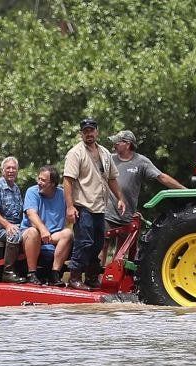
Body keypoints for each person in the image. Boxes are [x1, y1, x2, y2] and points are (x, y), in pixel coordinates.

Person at [102, 129, 185, 262]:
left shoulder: (141, 162)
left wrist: (183, 191)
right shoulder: (109, 159)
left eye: (117, 142)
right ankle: (97, 278)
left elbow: (161, 177)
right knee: (103, 244)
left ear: (128, 144)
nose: (114, 145)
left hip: (126, 215)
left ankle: (115, 280)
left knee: (121, 252)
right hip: (107, 212)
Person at [63, 118, 125, 290]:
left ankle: (91, 276)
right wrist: (70, 206)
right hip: (83, 205)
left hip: (99, 206)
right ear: (81, 133)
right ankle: (75, 276)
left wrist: (120, 198)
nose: (89, 134)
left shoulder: (105, 153)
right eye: (85, 131)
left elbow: (111, 178)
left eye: (91, 130)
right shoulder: (76, 153)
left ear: (97, 131)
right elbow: (67, 180)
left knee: (98, 242)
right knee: (84, 242)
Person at [0, 156, 39, 283]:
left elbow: (21, 213)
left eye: (13, 168)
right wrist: (7, 225)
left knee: (33, 233)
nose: (11, 171)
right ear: (2, 171)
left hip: (16, 225)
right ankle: (8, 272)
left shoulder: (15, 188)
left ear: (17, 171)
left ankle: (31, 272)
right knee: (14, 234)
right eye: (8, 168)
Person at [20, 165, 74, 286]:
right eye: (39, 179)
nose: (39, 182)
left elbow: (72, 214)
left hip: (52, 237)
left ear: (53, 183)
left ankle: (55, 274)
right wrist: (43, 229)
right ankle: (31, 273)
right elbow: (31, 213)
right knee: (33, 232)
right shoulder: (32, 191)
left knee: (68, 233)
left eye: (43, 180)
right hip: (32, 235)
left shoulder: (62, 194)